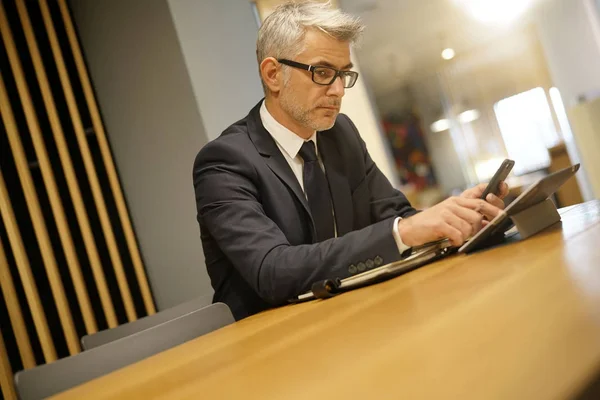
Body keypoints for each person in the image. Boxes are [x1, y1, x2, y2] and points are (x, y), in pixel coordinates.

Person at [192, 1, 508, 320]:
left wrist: (451, 217)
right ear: (273, 74)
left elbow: (394, 214)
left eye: (343, 74)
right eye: (323, 73)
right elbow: (274, 271)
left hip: (352, 315)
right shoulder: (223, 162)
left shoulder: (339, 134)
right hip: (272, 343)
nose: (339, 90)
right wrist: (407, 230)